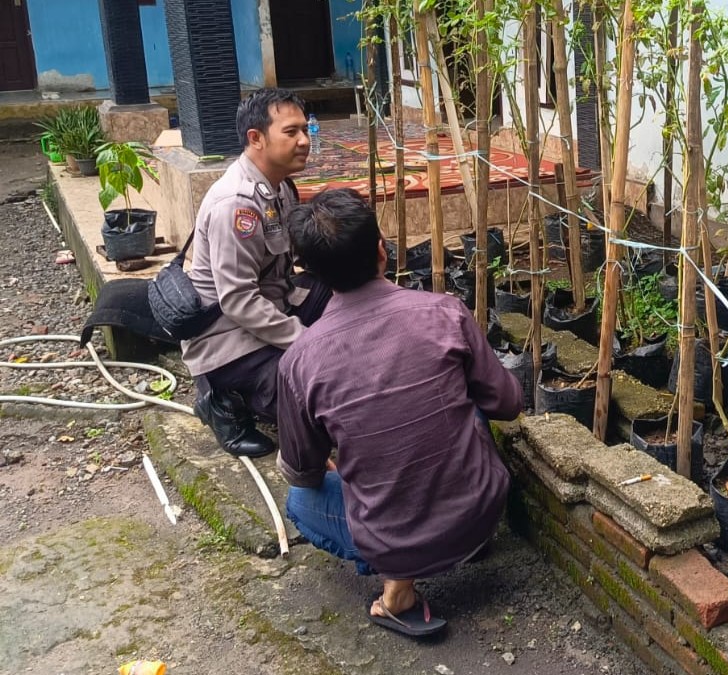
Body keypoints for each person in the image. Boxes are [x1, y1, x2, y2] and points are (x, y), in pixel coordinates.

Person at [275, 188, 522, 638]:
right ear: (382, 251)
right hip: (483, 512)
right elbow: (507, 403)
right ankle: (468, 540)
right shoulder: (444, 312)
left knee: (299, 501)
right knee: (469, 401)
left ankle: (397, 595)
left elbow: (304, 474)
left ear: (311, 274)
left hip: (396, 541)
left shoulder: (300, 361)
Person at [183, 88, 330, 458]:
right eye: (291, 132)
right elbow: (237, 300)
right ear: (256, 138)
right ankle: (223, 399)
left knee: (342, 285)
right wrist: (304, 339)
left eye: (304, 130)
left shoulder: (279, 188)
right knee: (316, 397)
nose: (303, 141)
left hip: (273, 307)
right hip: (228, 337)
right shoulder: (237, 205)